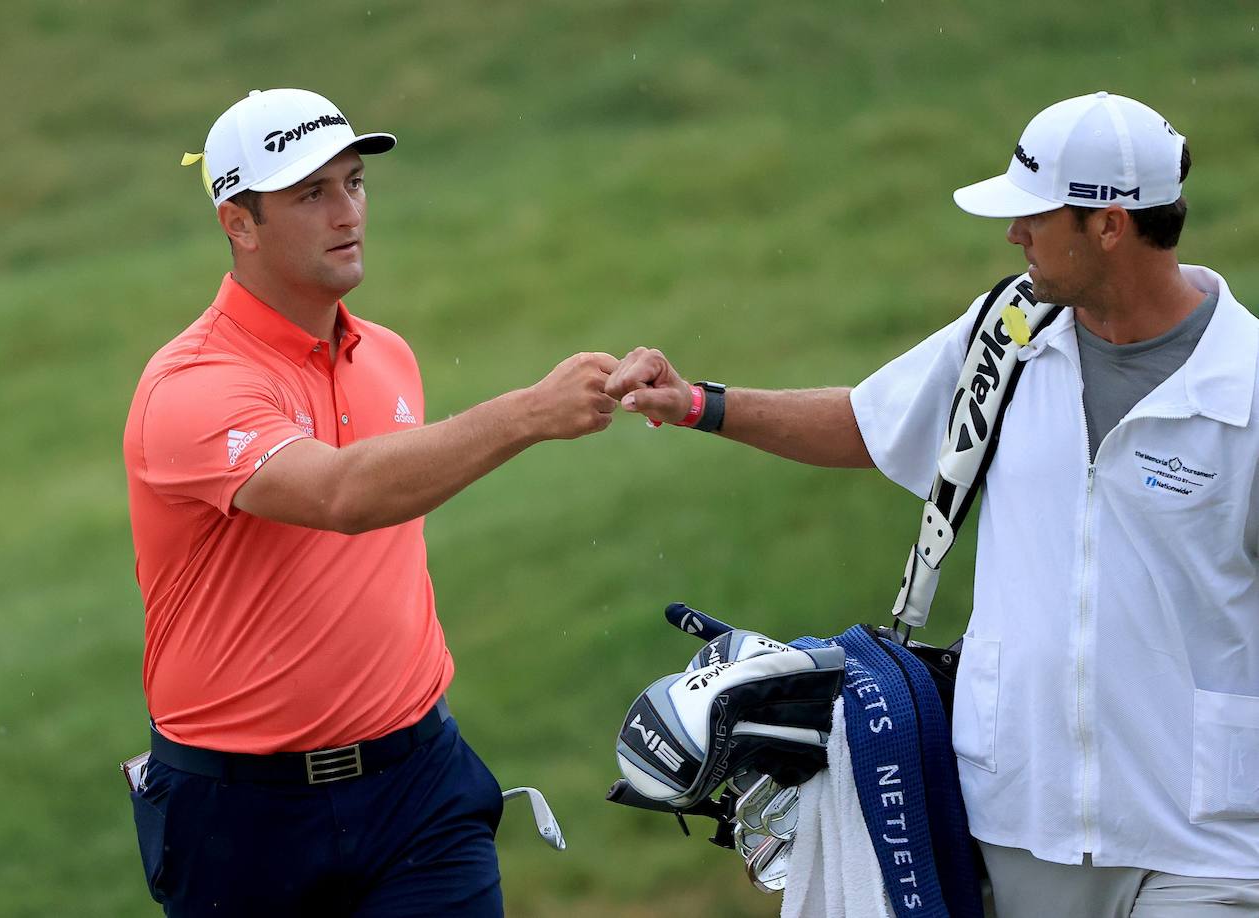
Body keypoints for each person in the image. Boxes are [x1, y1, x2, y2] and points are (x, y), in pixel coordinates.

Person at [606, 91, 1259, 917]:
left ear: (1108, 224)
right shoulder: (1008, 332)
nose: (1014, 234)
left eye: (1034, 214)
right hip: (1023, 818)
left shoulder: (1249, 387)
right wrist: (699, 403)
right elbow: (865, 422)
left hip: (1206, 840)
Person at [122, 87, 617, 917]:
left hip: (418, 788)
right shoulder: (191, 387)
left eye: (353, 183)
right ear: (237, 223)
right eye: (310, 194)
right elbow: (341, 494)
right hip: (242, 816)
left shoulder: (387, 355)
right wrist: (528, 412)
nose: (346, 212)